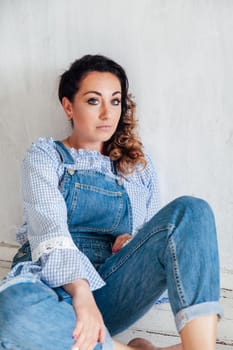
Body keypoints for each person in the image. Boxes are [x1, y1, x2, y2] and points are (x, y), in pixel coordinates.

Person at [0, 54, 223, 350]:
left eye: (115, 101)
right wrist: (81, 295)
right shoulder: (46, 156)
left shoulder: (137, 168)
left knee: (192, 211)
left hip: (110, 289)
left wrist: (131, 241)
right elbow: (49, 226)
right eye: (94, 101)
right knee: (13, 312)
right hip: (49, 289)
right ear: (68, 106)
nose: (107, 113)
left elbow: (157, 240)